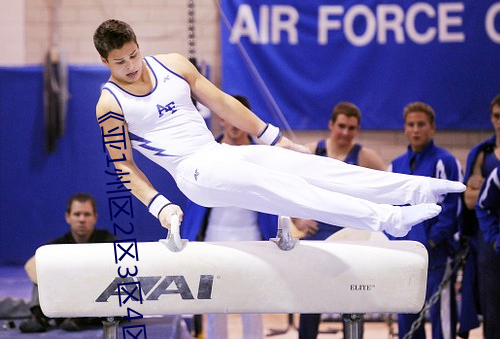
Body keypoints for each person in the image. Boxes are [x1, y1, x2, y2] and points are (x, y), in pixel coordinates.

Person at [93, 19, 464, 245]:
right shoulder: (110, 105)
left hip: (220, 155)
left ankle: (413, 187)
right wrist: (159, 206)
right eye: (119, 62)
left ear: (139, 45)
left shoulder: (172, 65)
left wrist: (274, 137)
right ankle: (387, 219)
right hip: (193, 173)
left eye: (133, 55)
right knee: (289, 190)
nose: (130, 67)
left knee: (312, 168)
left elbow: (223, 102)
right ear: (105, 62)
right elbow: (124, 166)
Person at [181, 95, 278, 339]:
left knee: (253, 305)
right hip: (214, 237)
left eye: (239, 119)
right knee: (215, 304)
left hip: (254, 238)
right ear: (221, 119)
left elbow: (275, 198)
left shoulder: (262, 158)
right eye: (229, 118)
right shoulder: (204, 153)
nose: (235, 125)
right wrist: (187, 237)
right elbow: (192, 197)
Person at [295, 101, 386, 339]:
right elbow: (285, 189)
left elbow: (389, 191)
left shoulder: (365, 157)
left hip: (351, 238)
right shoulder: (311, 151)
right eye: (341, 126)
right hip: (317, 234)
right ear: (331, 125)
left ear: (357, 130)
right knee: (310, 301)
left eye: (351, 128)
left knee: (353, 299)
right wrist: (297, 218)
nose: (345, 133)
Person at [387, 102, 462, 339]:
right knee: (407, 320)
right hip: (405, 258)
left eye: (421, 124)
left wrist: (432, 240)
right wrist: (395, 242)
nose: (416, 130)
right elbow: (388, 208)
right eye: (411, 125)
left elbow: (452, 208)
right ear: (405, 129)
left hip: (436, 256)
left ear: (432, 128)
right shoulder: (395, 166)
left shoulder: (445, 162)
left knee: (442, 319)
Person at [19, 193, 117, 333]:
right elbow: (30, 265)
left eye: (87, 214)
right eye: (77, 214)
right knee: (42, 269)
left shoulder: (108, 241)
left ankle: (80, 318)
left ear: (95, 217)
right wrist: (60, 283)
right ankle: (38, 317)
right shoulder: (58, 245)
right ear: (68, 217)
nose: (82, 219)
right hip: (65, 297)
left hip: (95, 301)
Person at [460, 92, 500, 339]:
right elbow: (469, 201)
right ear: (491, 118)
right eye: (497, 116)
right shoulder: (482, 153)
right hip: (489, 237)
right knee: (493, 303)